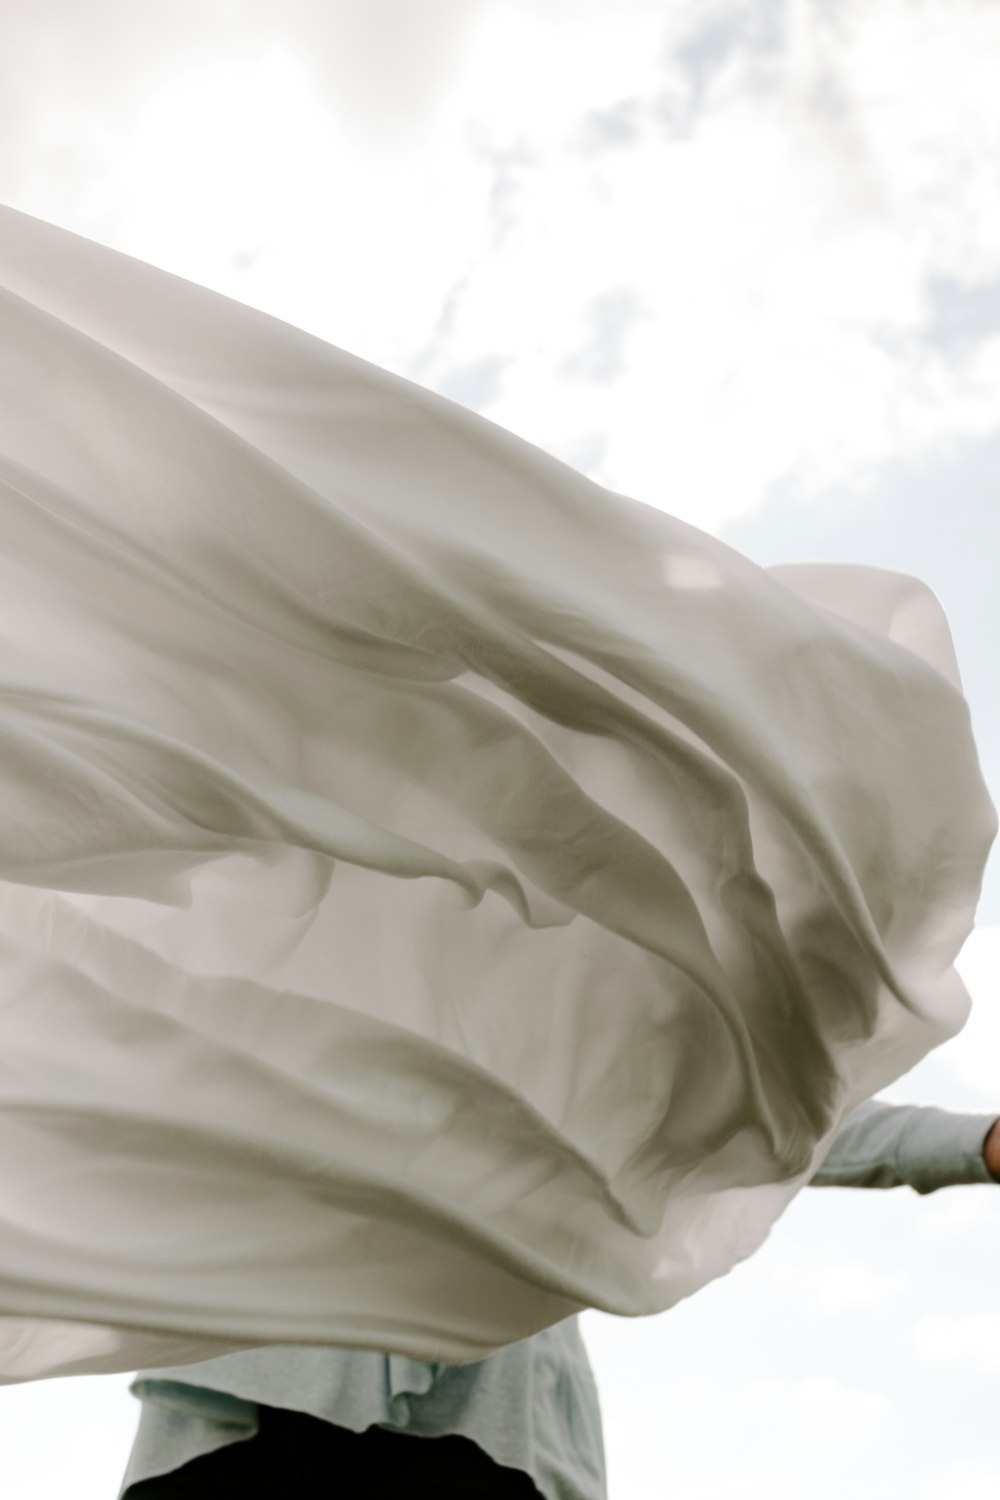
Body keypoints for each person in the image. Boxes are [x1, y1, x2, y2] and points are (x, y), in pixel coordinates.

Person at [117, 1098, 1000, 1499]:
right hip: (268, 1404)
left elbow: (780, 1122)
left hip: (485, 1425)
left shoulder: (577, 1026)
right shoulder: (300, 955)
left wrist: (975, 1141)